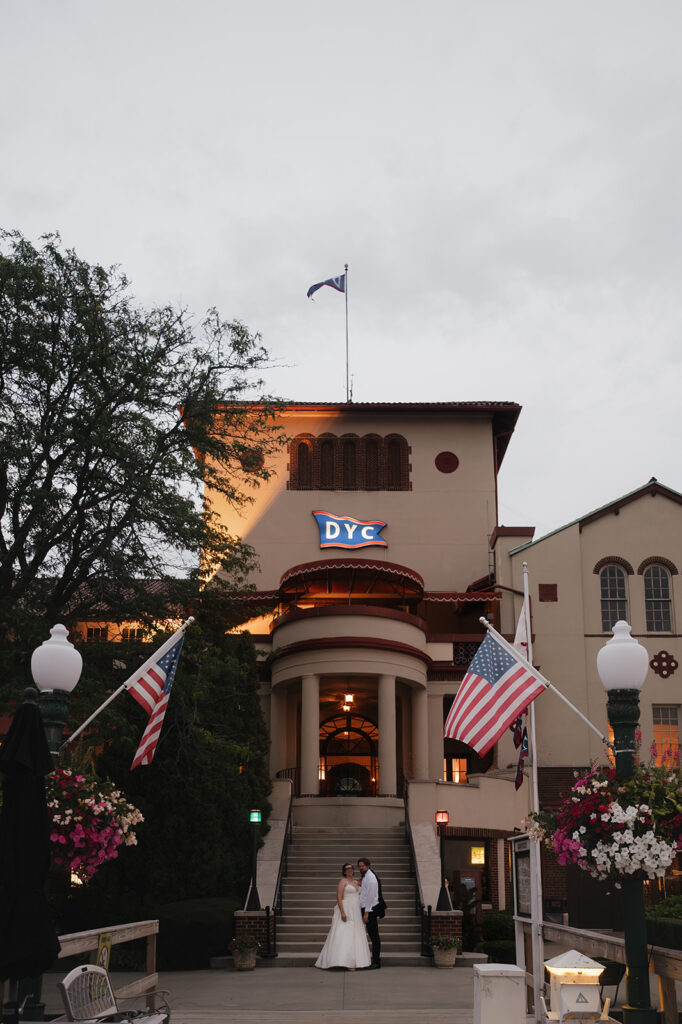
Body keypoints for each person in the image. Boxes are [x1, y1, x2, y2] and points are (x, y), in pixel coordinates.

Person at [315, 862, 371, 970]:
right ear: (344, 871)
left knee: (356, 934)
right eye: (347, 869)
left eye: (351, 868)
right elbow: (339, 897)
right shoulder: (342, 882)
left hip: (356, 910)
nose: (350, 870)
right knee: (344, 934)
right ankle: (342, 961)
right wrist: (342, 912)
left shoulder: (356, 882)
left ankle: (355, 961)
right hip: (346, 909)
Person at [358, 857, 381, 969]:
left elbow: (371, 898)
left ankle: (376, 961)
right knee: (372, 935)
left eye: (363, 866)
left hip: (370, 910)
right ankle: (375, 960)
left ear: (368, 866)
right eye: (360, 866)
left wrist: (366, 913)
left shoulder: (371, 878)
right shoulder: (366, 876)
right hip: (367, 909)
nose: (361, 868)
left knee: (374, 936)